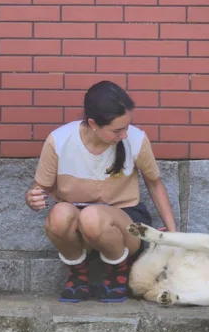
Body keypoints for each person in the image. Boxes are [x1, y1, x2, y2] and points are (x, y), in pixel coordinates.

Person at [25, 81, 178, 303]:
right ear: (93, 124)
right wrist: (32, 198)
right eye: (117, 130)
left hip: (125, 224)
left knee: (92, 217)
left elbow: (155, 184)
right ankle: (78, 275)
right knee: (59, 216)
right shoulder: (59, 140)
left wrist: (172, 234)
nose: (125, 134)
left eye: (127, 126)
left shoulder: (136, 140)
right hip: (78, 223)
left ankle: (118, 272)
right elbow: (39, 190)